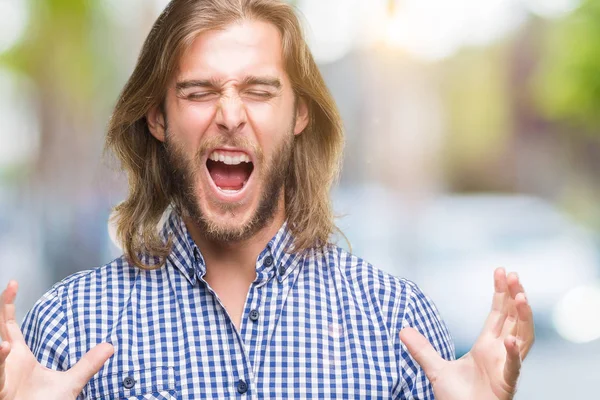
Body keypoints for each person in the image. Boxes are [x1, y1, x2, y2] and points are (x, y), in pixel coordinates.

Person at [0, 0, 534, 398]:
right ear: (157, 117)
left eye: (259, 91)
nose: (231, 116)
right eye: (199, 91)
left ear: (300, 115)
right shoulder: (69, 326)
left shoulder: (396, 321)